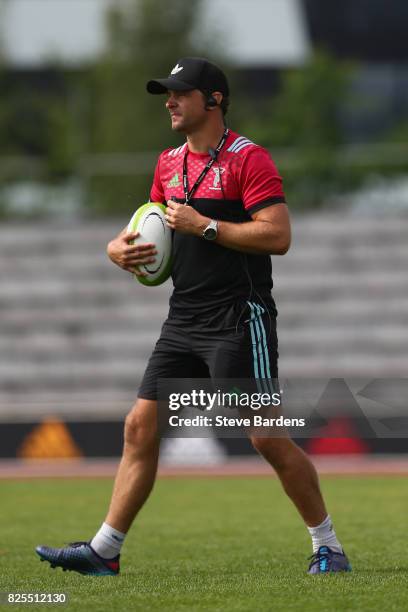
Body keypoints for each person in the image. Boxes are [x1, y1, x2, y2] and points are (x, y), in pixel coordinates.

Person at [36, 57, 351, 576]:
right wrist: (117, 248)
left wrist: (206, 225)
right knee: (139, 426)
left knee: (265, 437)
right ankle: (104, 552)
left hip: (238, 316)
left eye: (181, 92)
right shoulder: (167, 163)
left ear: (215, 100)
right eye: (167, 93)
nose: (170, 101)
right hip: (183, 317)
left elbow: (278, 235)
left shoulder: (250, 160)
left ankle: (329, 547)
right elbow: (147, 225)